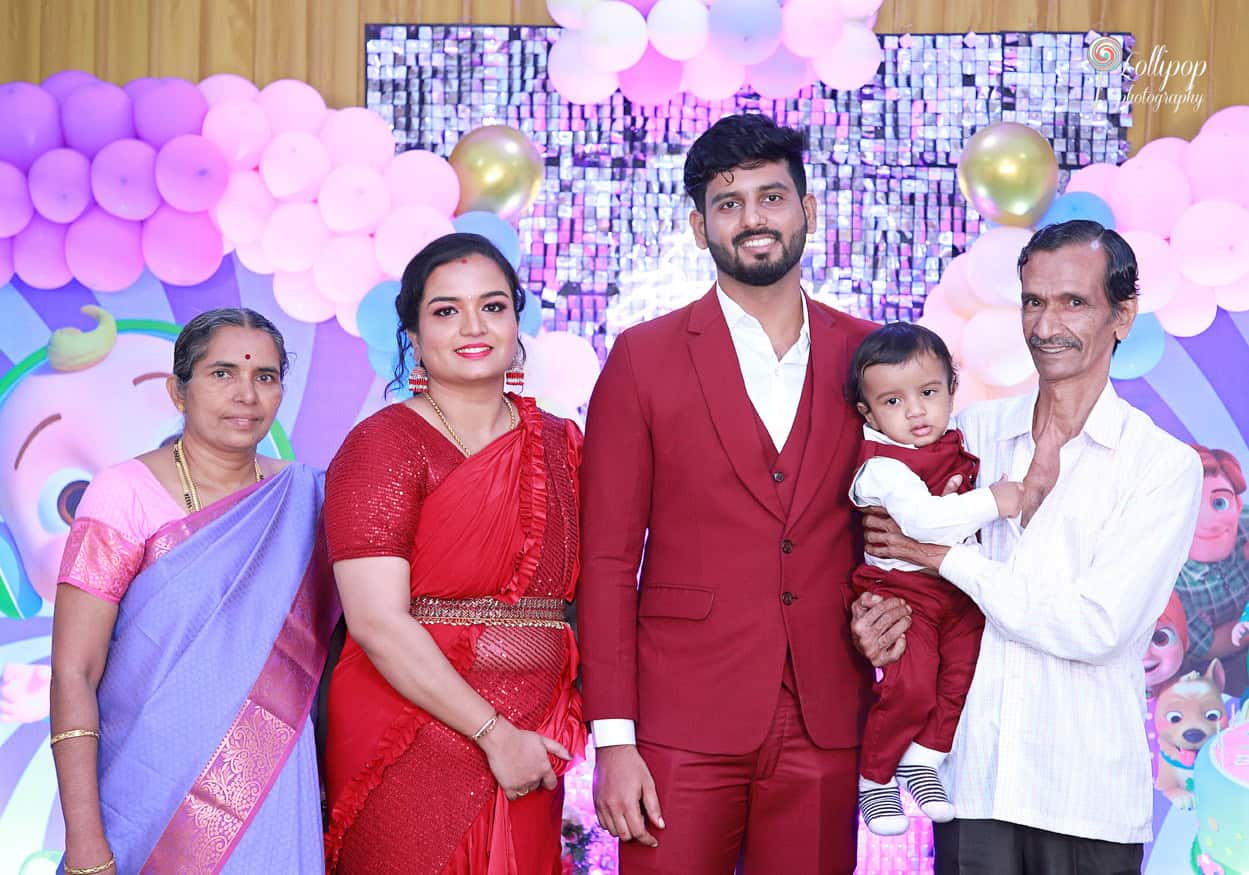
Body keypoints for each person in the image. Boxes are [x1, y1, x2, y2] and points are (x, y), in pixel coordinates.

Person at [577, 113, 880, 874]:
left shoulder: (869, 352)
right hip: (678, 715)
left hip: (826, 709)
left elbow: (897, 521)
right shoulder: (642, 358)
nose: (753, 218)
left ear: (807, 210)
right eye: (728, 201)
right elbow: (608, 560)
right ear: (697, 225)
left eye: (771, 196)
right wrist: (614, 738)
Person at [861, 219, 1203, 874]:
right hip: (974, 782)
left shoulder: (1160, 465)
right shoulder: (967, 436)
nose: (1045, 325)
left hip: (1086, 798)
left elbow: (1094, 624)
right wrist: (877, 617)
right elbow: (897, 569)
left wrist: (945, 557)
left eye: (1072, 301)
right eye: (1032, 300)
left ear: (1122, 314)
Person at [321, 232, 584, 874]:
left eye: (492, 306)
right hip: (410, 728)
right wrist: (494, 735)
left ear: (517, 320)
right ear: (410, 330)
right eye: (446, 310)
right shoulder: (381, 445)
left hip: (535, 730)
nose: (473, 325)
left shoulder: (562, 442)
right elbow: (377, 621)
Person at [49, 308, 335, 875]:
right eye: (222, 373)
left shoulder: (305, 499)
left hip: (272, 791)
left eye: (266, 377)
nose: (247, 395)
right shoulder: (124, 494)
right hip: (143, 799)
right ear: (178, 391)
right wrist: (84, 843)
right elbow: (73, 673)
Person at [845, 322, 1022, 835]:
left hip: (957, 588)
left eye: (927, 393)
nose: (916, 411)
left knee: (962, 677)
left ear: (951, 389)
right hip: (905, 595)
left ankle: (924, 758)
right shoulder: (880, 465)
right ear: (869, 413)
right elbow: (923, 521)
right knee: (912, 685)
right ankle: (875, 779)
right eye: (893, 402)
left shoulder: (959, 438)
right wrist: (995, 500)